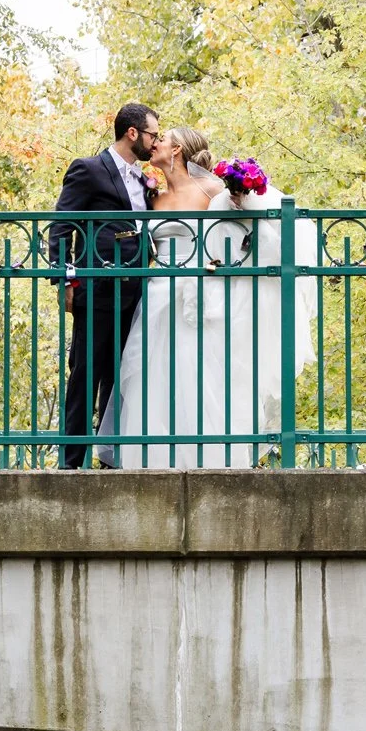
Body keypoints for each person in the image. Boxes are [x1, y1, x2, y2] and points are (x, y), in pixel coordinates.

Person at [100, 126, 319, 467]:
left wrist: (240, 199)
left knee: (201, 373)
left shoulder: (213, 190)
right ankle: (154, 461)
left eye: (162, 139)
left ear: (177, 150)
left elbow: (244, 235)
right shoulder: (152, 196)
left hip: (200, 294)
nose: (154, 143)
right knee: (154, 375)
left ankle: (212, 459)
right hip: (157, 293)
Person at [51, 102, 161, 468]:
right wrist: (65, 278)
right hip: (96, 290)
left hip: (135, 293)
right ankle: (71, 463)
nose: (154, 141)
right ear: (133, 133)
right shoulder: (89, 169)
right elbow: (62, 225)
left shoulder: (144, 180)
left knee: (121, 376)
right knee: (86, 374)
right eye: (152, 135)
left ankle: (112, 457)